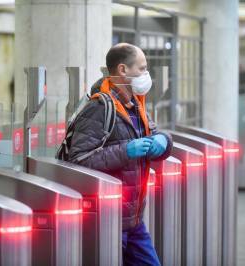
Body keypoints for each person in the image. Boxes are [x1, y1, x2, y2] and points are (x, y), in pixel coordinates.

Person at [68, 43, 172, 265]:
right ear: (123, 70)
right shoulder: (99, 108)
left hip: (133, 220)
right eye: (142, 69)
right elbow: (78, 160)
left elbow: (154, 134)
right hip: (108, 220)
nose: (146, 75)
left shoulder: (135, 104)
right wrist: (126, 151)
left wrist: (164, 142)